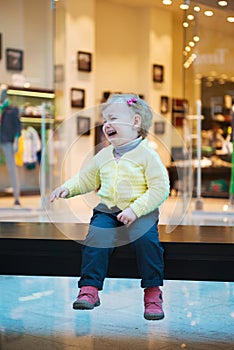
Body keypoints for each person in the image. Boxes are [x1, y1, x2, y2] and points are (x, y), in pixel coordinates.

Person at [50, 93, 170, 320]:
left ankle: (153, 292)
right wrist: (67, 188)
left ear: (135, 122)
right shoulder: (104, 155)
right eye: (105, 120)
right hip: (108, 209)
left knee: (147, 242)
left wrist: (135, 209)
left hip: (140, 211)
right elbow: (86, 179)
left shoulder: (147, 155)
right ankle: (90, 289)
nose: (106, 125)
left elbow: (160, 188)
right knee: (96, 237)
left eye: (113, 118)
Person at [0, 85, 21, 207]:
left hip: (7, 141)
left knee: (12, 169)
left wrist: (17, 141)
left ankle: (17, 198)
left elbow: (18, 126)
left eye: (2, 92)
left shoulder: (13, 109)